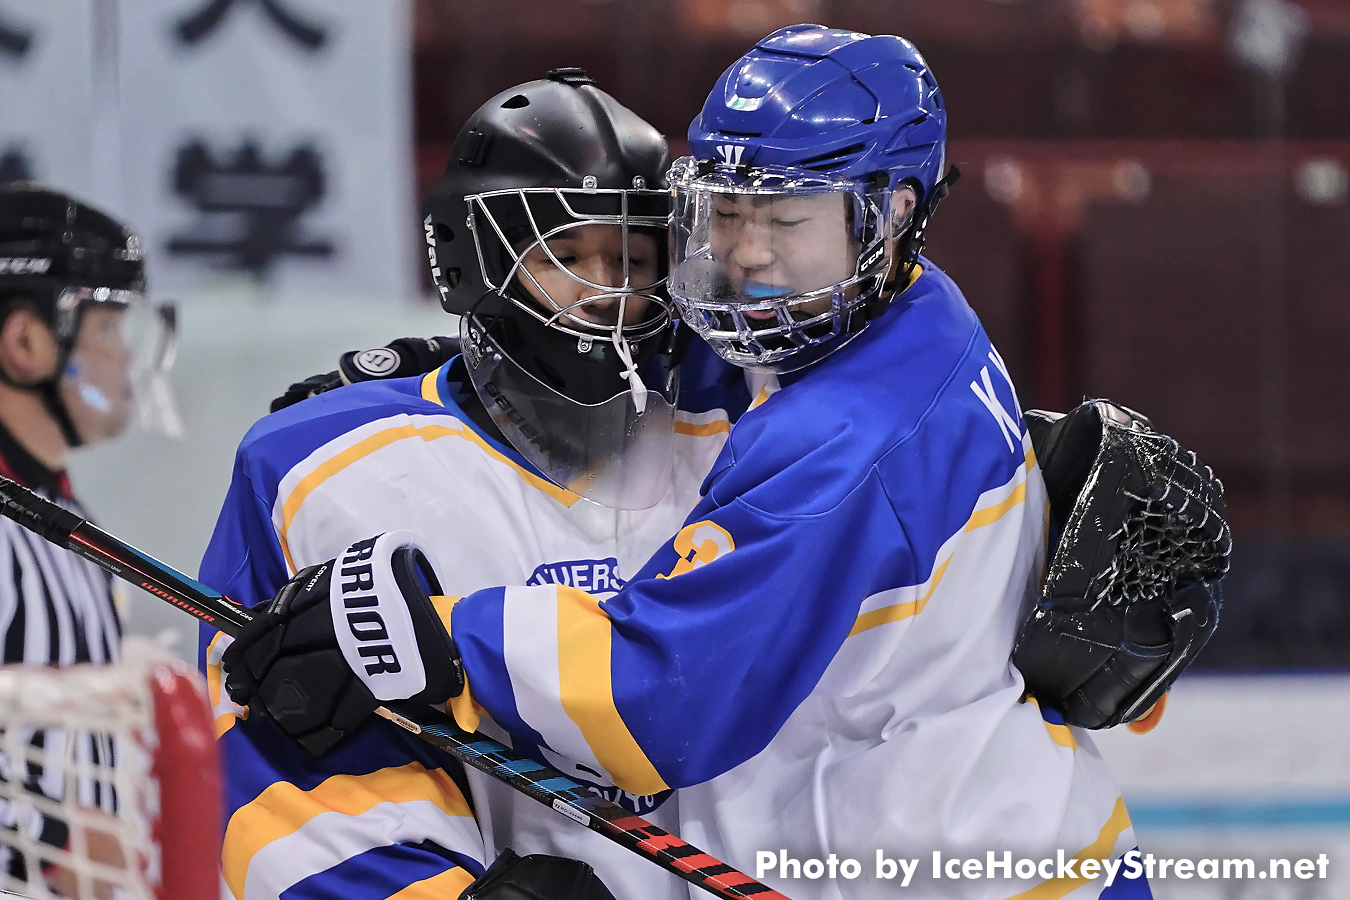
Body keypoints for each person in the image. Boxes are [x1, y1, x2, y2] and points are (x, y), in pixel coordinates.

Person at [224, 27, 1230, 898]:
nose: (747, 254)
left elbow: (659, 696)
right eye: (729, 212)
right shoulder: (895, 310)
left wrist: (433, 638)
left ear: (888, 216)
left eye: (783, 219)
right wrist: (458, 356)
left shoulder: (847, 434)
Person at [199, 70, 748, 900]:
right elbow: (266, 769)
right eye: (565, 257)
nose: (609, 294)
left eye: (632, 259)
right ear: (474, 260)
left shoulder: (752, 442)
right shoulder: (323, 468)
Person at [0, 182, 179, 898]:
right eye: (107, 329)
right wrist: (54, 843)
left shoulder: (52, 509)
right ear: (25, 342)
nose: (124, 359)